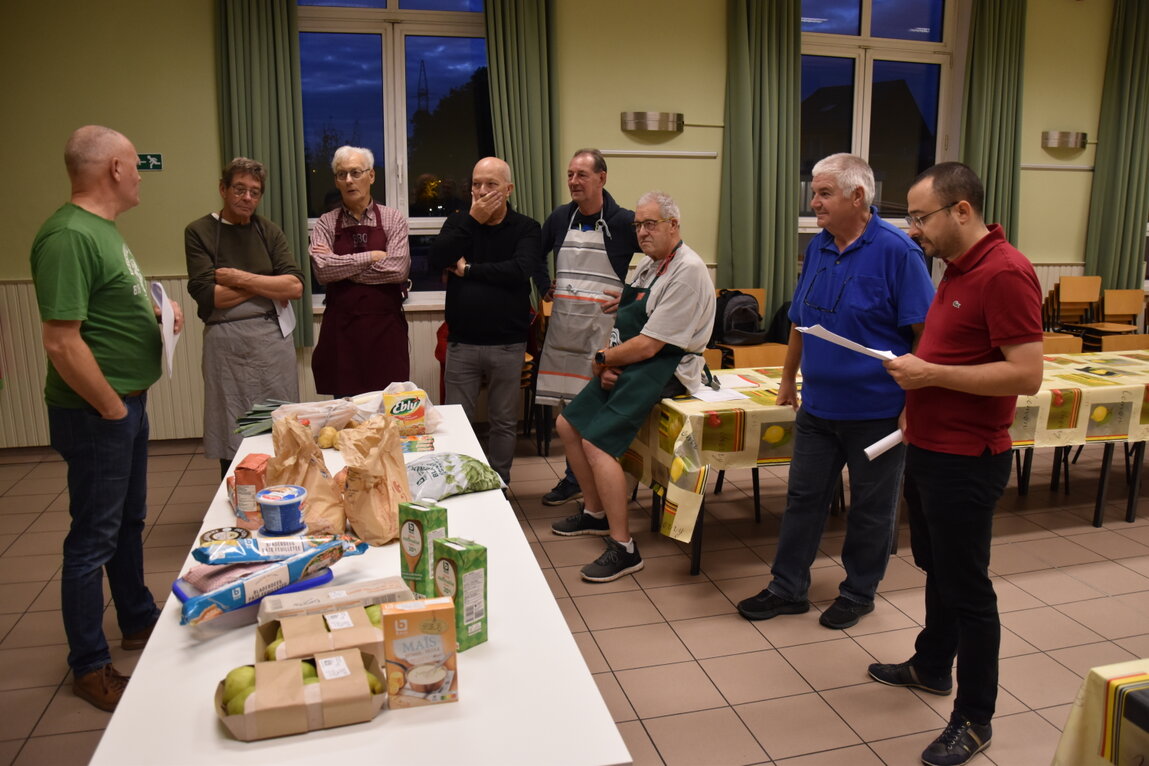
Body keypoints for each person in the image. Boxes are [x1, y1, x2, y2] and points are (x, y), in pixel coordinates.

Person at [870, 162, 1043, 766]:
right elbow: (954, 351)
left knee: (968, 588)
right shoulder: (954, 268)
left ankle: (974, 719)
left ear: (961, 210)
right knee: (937, 569)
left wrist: (930, 375)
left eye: (921, 217)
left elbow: (1026, 374)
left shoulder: (1006, 272)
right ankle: (931, 664)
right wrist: (917, 399)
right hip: (929, 447)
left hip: (968, 459)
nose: (913, 229)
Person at [736, 153, 935, 630]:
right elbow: (800, 321)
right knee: (803, 500)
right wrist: (788, 379)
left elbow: (925, 335)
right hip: (819, 408)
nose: (815, 202)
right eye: (815, 193)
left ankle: (858, 592)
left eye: (824, 193)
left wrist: (917, 404)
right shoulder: (819, 246)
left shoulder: (898, 251)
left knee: (871, 509)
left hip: (877, 412)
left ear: (857, 196)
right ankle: (787, 588)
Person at [30, 125, 184, 711]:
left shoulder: (102, 230)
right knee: (92, 537)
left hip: (124, 405)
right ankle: (90, 666)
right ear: (115, 169)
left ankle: (137, 618)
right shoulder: (69, 235)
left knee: (126, 523)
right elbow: (61, 341)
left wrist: (161, 313)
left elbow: (112, 304)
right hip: (100, 412)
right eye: (134, 164)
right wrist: (113, 407)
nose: (140, 174)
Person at [551, 191, 714, 582]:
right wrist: (614, 347)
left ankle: (624, 548)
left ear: (674, 225)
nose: (642, 232)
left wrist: (604, 360)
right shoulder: (649, 265)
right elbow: (637, 314)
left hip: (666, 367)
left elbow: (651, 345)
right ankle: (595, 513)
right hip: (634, 360)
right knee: (567, 425)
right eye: (638, 225)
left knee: (597, 443)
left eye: (650, 224)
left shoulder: (688, 271)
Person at [185, 158, 304, 477]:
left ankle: (282, 491)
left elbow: (294, 286)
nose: (247, 197)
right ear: (223, 189)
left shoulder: (268, 231)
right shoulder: (199, 231)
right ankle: (239, 493)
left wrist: (238, 278)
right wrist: (268, 283)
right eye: (239, 189)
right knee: (232, 427)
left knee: (277, 426)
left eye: (255, 191)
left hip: (272, 345)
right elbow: (209, 295)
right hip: (226, 346)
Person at [534, 149, 640, 507]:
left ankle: (602, 481)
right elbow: (534, 254)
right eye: (570, 174)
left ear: (602, 178)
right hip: (565, 329)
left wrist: (630, 298)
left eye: (581, 174)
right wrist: (542, 284)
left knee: (594, 412)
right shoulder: (560, 217)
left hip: (602, 332)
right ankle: (574, 480)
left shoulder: (624, 221)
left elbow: (659, 260)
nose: (573, 181)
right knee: (568, 413)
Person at [429, 157, 541, 484]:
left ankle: (499, 484)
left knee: (503, 422)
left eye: (491, 184)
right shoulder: (459, 223)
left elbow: (519, 270)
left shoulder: (526, 228)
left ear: (508, 189)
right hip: (462, 342)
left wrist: (468, 270)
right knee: (457, 421)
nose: (481, 191)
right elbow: (436, 258)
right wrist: (472, 221)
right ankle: (459, 483)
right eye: (476, 184)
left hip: (508, 343)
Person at [309, 145, 411, 398]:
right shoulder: (325, 222)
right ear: (336, 181)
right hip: (341, 334)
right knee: (346, 411)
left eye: (356, 172)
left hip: (385, 332)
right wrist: (373, 256)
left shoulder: (393, 219)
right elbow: (322, 271)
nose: (349, 180)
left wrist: (340, 265)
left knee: (388, 408)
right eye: (341, 174)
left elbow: (397, 270)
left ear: (371, 176)